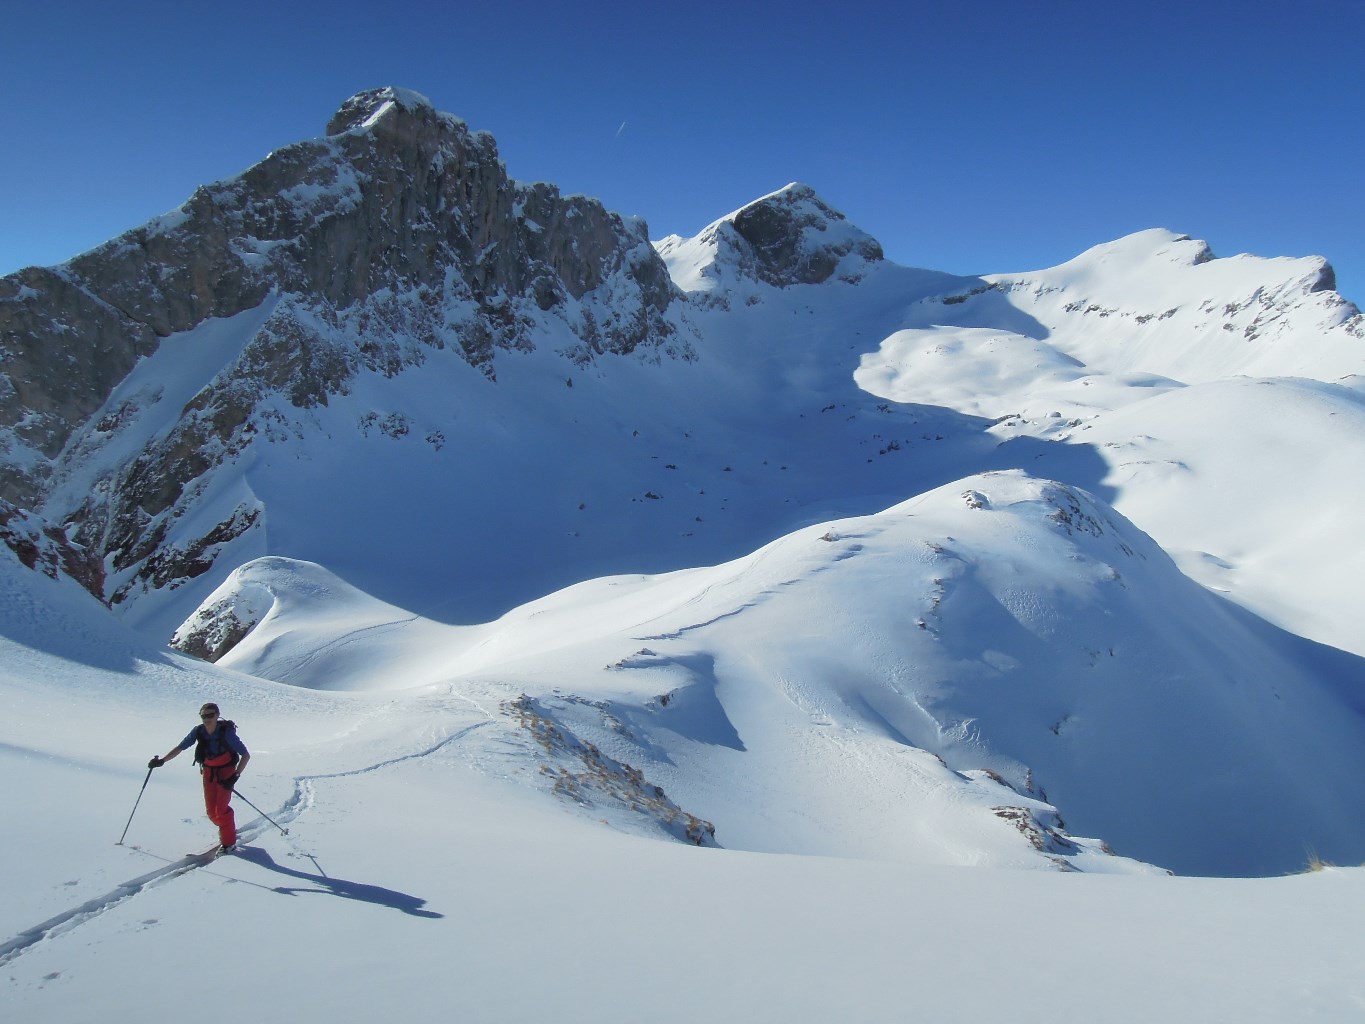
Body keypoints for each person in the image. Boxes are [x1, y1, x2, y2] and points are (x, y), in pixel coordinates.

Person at [149, 703, 251, 852]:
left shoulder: (226, 733)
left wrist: (235, 775)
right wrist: (162, 761)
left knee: (221, 809)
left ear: (217, 715)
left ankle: (229, 843)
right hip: (208, 773)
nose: (207, 719)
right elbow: (180, 747)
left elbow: (245, 755)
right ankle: (225, 827)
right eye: (204, 716)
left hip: (226, 773)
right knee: (211, 812)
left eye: (210, 715)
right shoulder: (199, 731)